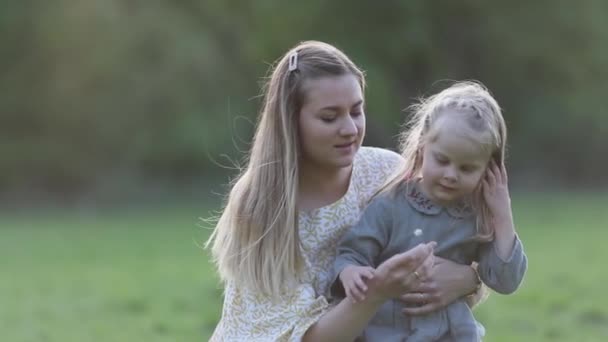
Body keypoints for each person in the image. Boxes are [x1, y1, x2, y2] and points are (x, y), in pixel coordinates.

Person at [205, 41, 483, 342]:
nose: (350, 128)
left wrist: (468, 279)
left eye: (356, 111)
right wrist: (376, 293)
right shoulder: (261, 203)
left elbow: (450, 244)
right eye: (329, 117)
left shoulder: (386, 173)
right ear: (290, 121)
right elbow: (305, 338)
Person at [333, 81, 528, 341]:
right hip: (387, 332)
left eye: (467, 168)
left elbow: (506, 281)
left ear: (488, 170)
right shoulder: (390, 204)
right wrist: (349, 272)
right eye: (442, 160)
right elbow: (351, 252)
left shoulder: (476, 218)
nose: (451, 175)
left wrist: (502, 215)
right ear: (423, 147)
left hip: (450, 334)